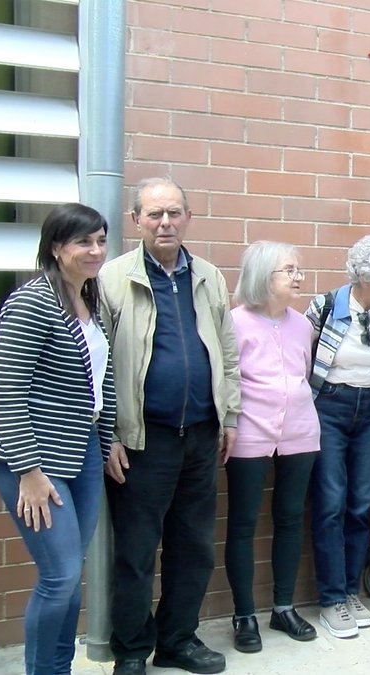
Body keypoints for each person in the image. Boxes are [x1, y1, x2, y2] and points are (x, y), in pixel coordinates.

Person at [100, 178, 241, 675]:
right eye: (155, 214)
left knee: (194, 547)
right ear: (136, 220)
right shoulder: (113, 279)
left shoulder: (209, 277)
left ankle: (178, 640)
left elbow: (226, 352)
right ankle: (133, 650)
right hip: (142, 442)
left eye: (175, 213)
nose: (166, 222)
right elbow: (97, 365)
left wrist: (230, 417)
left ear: (188, 217)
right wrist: (109, 435)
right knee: (136, 553)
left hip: (202, 437)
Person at [0, 204, 116, 675]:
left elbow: (102, 375)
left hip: (85, 450)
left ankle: (59, 668)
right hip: (38, 460)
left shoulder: (90, 298)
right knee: (59, 578)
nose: (96, 251)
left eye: (101, 240)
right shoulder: (30, 302)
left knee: (70, 574)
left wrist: (110, 435)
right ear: (56, 248)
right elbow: (8, 393)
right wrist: (30, 473)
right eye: (84, 242)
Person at [305, 234, 370, 638]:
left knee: (362, 503)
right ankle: (331, 598)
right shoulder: (326, 306)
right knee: (330, 502)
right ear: (366, 277)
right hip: (329, 407)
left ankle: (349, 591)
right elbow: (300, 357)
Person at [224, 242, 321, 653]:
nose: (298, 278)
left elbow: (304, 373)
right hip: (248, 432)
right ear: (265, 276)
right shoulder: (233, 322)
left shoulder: (303, 324)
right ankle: (244, 614)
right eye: (289, 271)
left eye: (298, 270)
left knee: (290, 519)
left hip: (301, 431)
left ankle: (283, 607)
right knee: (243, 523)